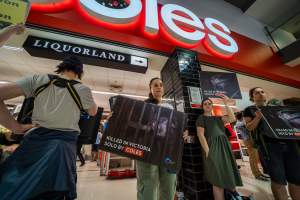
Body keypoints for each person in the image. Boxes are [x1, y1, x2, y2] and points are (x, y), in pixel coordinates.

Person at [0, 56, 97, 200]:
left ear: (61, 67)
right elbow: (92, 112)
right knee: (55, 189)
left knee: (19, 185)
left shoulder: (38, 80)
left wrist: (16, 127)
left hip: (34, 143)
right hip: (62, 148)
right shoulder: (82, 89)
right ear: (79, 72)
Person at [243, 87, 300, 200]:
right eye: (256, 93)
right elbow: (249, 127)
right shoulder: (250, 109)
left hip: (290, 144)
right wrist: (258, 117)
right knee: (278, 180)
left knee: (296, 179)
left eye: (262, 92)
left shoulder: (277, 107)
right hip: (269, 147)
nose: (260, 94)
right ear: (252, 97)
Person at [136, 77, 186, 200]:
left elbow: (174, 128)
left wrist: (182, 132)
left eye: (161, 85)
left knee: (169, 186)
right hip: (148, 151)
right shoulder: (143, 106)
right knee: (148, 186)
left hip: (167, 151)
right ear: (150, 88)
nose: (159, 87)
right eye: (155, 85)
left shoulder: (169, 107)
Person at [196, 96, 243, 200]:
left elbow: (232, 118)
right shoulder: (201, 118)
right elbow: (200, 135)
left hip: (224, 147)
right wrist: (208, 151)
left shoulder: (218, 118)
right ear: (202, 107)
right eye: (205, 104)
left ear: (212, 106)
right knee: (217, 179)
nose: (207, 105)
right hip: (212, 148)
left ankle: (234, 195)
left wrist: (226, 103)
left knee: (228, 173)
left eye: (209, 103)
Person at [235, 112, 268, 181]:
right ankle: (257, 174)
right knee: (253, 157)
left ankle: (258, 173)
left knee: (254, 156)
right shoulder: (240, 123)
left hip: (249, 140)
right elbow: (249, 127)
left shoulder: (240, 123)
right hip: (248, 140)